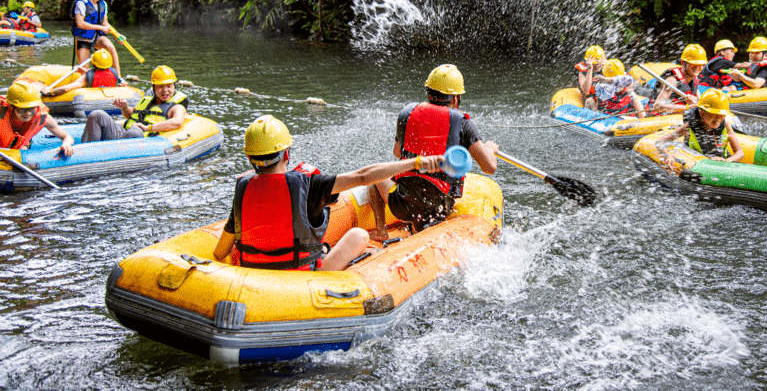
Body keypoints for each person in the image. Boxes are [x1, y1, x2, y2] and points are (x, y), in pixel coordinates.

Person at [212, 115, 446, 271]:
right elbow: (364, 176)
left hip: (252, 276)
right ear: (286, 154)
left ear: (249, 157)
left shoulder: (242, 187)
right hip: (302, 277)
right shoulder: (309, 184)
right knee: (358, 236)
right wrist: (416, 163)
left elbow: (220, 251)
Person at [368, 64, 499, 240]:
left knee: (373, 173)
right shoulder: (464, 124)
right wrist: (489, 149)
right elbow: (489, 167)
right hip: (438, 209)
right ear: (455, 98)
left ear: (429, 94)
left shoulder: (408, 113)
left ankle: (381, 230)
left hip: (402, 204)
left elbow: (397, 152)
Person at [80, 65, 187, 142]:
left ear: (174, 86)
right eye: (160, 86)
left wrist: (148, 128)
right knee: (97, 114)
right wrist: (125, 107)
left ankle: (110, 155)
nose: (165, 90)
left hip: (142, 139)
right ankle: (86, 152)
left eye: (169, 86)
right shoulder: (148, 100)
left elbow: (177, 122)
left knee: (136, 130)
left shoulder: (177, 107)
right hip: (125, 133)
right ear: (154, 87)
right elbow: (131, 115)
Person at [656, 88, 743, 170]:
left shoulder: (726, 125)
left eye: (722, 115)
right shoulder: (690, 126)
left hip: (722, 161)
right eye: (715, 114)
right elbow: (660, 142)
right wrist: (667, 155)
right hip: (698, 163)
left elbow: (740, 153)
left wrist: (727, 161)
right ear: (702, 113)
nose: (719, 118)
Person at [0, 81, 75, 157]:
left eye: (32, 109)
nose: (28, 113)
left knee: (23, 149)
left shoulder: (42, 117)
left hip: (18, 146)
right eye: (22, 109)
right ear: (11, 106)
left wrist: (66, 144)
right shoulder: (2, 111)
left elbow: (67, 137)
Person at [72, 0, 120, 76]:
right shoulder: (81, 3)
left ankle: (118, 78)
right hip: (82, 38)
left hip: (97, 37)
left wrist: (116, 34)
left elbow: (105, 23)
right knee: (85, 72)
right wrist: (101, 27)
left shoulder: (103, 4)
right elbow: (80, 23)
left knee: (110, 47)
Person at [41, 50, 124, 98]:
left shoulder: (86, 77)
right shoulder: (114, 73)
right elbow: (122, 84)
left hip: (89, 101)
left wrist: (49, 92)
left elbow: (66, 89)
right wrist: (86, 71)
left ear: (93, 63)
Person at [650, 43, 706, 112]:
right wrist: (687, 107)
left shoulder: (694, 80)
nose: (697, 67)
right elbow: (657, 106)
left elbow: (700, 104)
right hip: (657, 117)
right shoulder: (672, 80)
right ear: (683, 63)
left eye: (701, 64)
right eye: (693, 64)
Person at [575, 45, 607, 111]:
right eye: (595, 63)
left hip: (605, 98)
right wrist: (590, 69)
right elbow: (586, 90)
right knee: (590, 101)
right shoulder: (583, 70)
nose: (598, 65)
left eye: (600, 64)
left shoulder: (607, 67)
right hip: (591, 100)